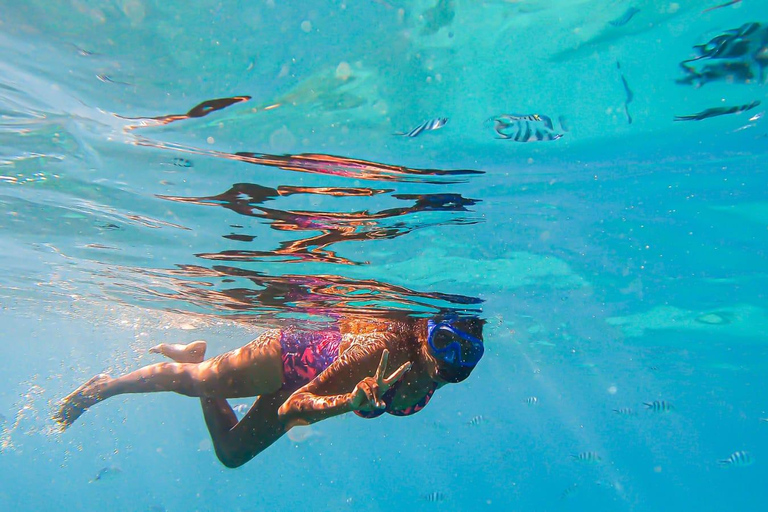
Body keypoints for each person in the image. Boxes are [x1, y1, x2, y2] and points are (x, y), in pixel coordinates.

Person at [55, 314, 485, 468]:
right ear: (423, 336)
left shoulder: (434, 374)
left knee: (230, 453)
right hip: (291, 357)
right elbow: (295, 406)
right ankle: (105, 387)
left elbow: (377, 403)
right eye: (444, 341)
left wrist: (361, 405)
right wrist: (346, 403)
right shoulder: (383, 348)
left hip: (314, 382)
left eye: (467, 351)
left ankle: (190, 356)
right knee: (196, 383)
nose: (451, 358)